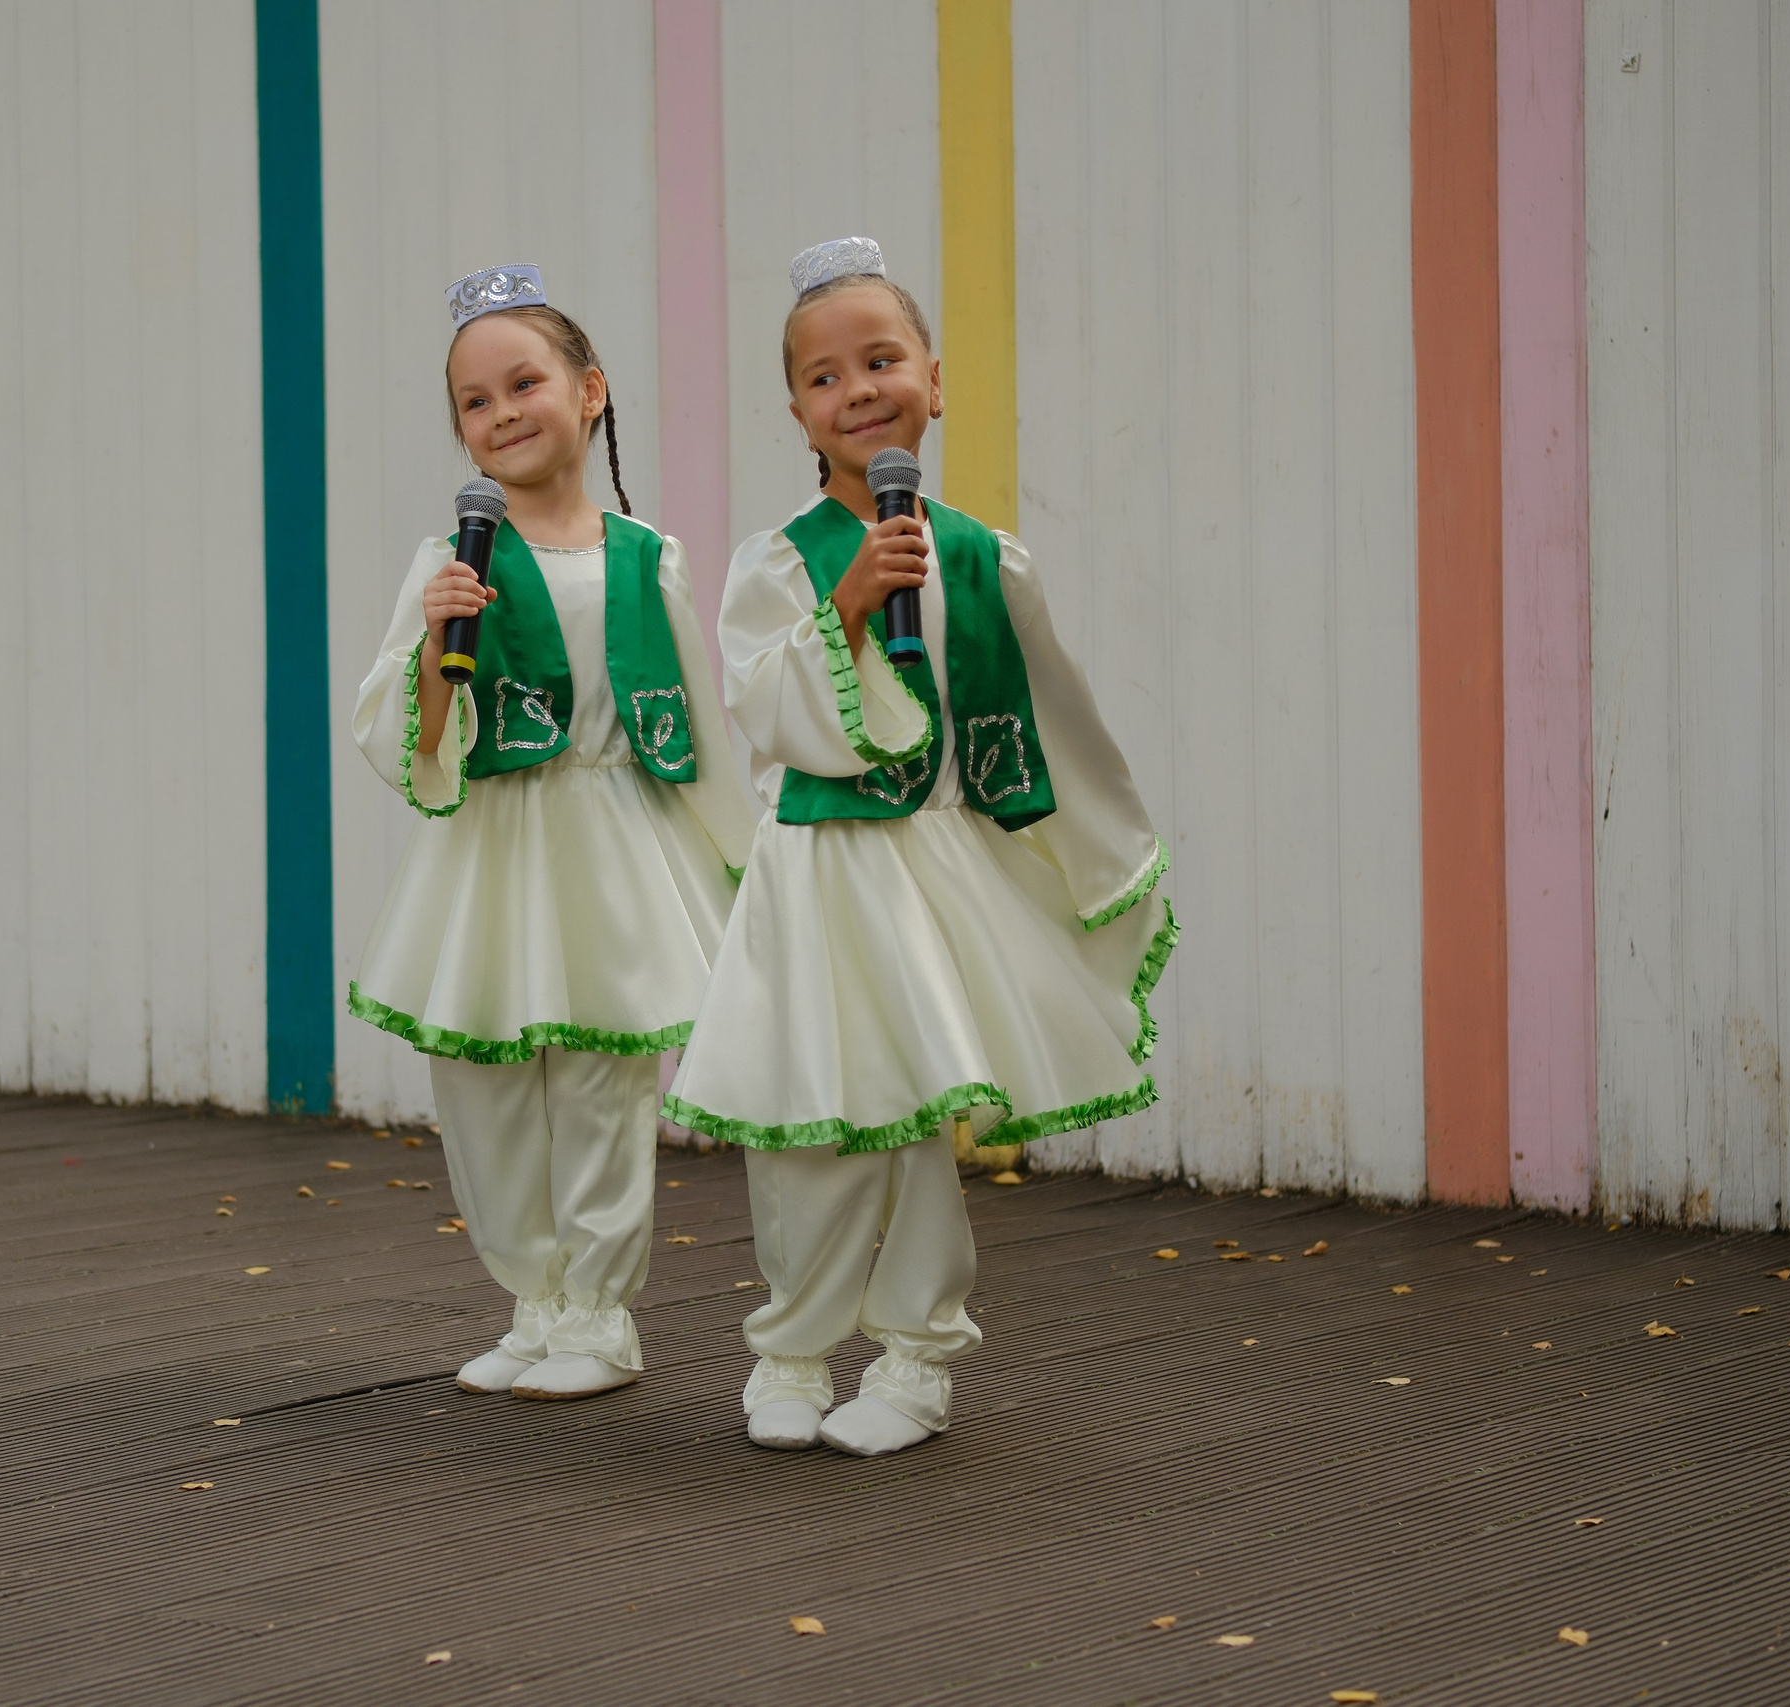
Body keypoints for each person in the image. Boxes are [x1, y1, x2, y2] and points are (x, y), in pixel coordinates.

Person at [663, 238, 1177, 1457]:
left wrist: (1092, 864)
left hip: (929, 874)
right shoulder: (776, 564)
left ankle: (915, 1361)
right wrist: (845, 607)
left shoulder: (988, 560)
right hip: (818, 876)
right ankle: (790, 1350)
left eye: (882, 360)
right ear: (797, 412)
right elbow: (761, 706)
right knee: (814, 1121)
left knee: (913, 1124)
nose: (861, 390)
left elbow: (1054, 723)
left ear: (933, 380)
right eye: (828, 376)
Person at [348, 265, 752, 1401]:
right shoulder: (448, 562)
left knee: (602, 1081)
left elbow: (695, 722)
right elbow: (408, 735)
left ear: (589, 391)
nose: (503, 412)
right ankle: (533, 1297)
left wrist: (739, 855)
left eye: (523, 381)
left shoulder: (645, 555)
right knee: (481, 1081)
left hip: (612, 837)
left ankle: (599, 1316)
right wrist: (435, 647)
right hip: (492, 847)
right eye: (475, 402)